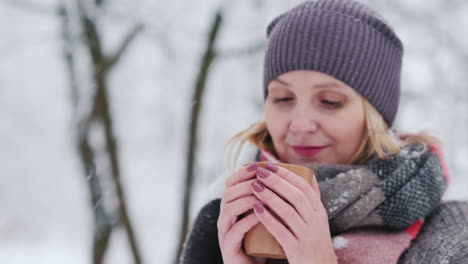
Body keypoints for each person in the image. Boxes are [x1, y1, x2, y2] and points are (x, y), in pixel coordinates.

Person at [180, 0, 468, 263]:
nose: (300, 123)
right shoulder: (223, 219)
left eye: (330, 101)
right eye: (282, 98)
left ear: (375, 117)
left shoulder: (453, 234)